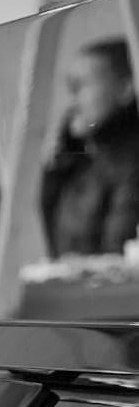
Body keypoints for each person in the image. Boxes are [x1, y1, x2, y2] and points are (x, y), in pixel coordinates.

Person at [40, 35, 139, 259]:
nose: (73, 102)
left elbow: (116, 256)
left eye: (81, 86)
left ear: (125, 88)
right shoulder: (83, 162)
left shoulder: (128, 165)